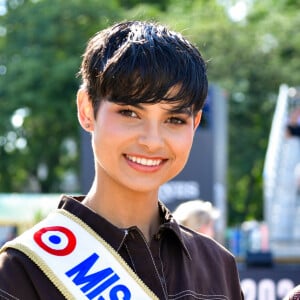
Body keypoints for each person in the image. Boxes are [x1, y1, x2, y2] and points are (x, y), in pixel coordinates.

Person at [0, 20, 244, 300]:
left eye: (174, 119)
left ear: (195, 123)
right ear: (87, 110)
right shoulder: (23, 271)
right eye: (130, 113)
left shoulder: (217, 266)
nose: (152, 141)